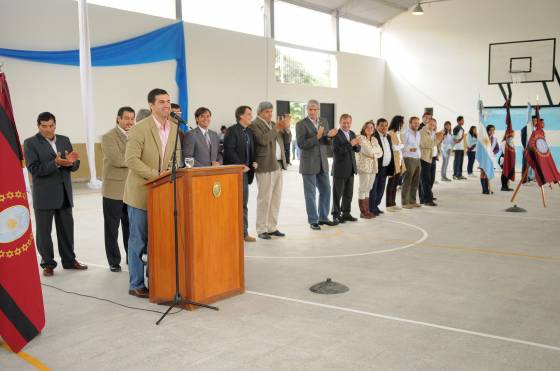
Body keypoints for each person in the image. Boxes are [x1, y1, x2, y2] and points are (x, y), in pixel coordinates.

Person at [123, 88, 181, 298]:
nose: (166, 105)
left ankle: (156, 279)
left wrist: (173, 172)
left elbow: (175, 156)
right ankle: (136, 284)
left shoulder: (174, 128)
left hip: (163, 194)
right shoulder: (139, 129)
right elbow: (130, 160)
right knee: (138, 240)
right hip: (140, 193)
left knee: (157, 241)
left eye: (168, 101)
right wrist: (156, 175)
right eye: (161, 102)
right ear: (151, 106)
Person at [23, 112, 87, 276]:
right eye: (44, 126)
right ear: (38, 126)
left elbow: (74, 165)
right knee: (44, 232)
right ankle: (48, 264)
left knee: (67, 230)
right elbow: (34, 169)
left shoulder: (64, 140)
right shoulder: (30, 143)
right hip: (44, 195)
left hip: (64, 193)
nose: (48, 129)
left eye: (51, 126)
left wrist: (72, 162)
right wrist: (55, 163)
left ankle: (69, 260)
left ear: (55, 125)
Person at [296, 99, 338, 230]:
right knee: (310, 194)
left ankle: (323, 218)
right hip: (308, 163)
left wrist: (330, 137)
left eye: (315, 109)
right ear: (306, 110)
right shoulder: (301, 124)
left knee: (326, 190)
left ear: (318, 110)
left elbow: (325, 142)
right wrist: (317, 137)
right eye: (310, 109)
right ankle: (313, 220)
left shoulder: (323, 121)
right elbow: (301, 144)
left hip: (322, 163)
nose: (313, 112)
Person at [249, 102, 289, 240]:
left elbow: (286, 140)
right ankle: (261, 229)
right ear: (259, 112)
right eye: (267, 111)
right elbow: (263, 140)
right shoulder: (254, 125)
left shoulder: (273, 124)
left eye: (271, 111)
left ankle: (272, 227)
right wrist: (277, 128)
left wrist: (286, 128)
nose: (270, 114)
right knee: (264, 199)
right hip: (265, 165)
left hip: (277, 164)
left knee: (275, 199)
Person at [101, 106, 134, 272]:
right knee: (112, 229)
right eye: (126, 118)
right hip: (113, 190)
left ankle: (131, 257)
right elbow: (117, 160)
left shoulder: (135, 135)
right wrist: (136, 160)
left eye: (132, 118)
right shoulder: (108, 137)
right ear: (118, 119)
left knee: (130, 227)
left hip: (131, 189)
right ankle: (114, 261)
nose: (129, 122)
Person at [223, 106, 258, 242]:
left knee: (243, 203)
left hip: (245, 173)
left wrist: (253, 162)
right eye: (249, 114)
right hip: (235, 173)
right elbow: (229, 151)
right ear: (241, 116)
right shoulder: (232, 131)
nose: (251, 116)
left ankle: (243, 233)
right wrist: (241, 165)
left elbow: (251, 150)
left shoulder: (249, 132)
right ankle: (231, 232)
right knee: (233, 204)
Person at [331, 114, 361, 223]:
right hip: (340, 169)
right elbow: (336, 151)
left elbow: (357, 149)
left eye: (348, 122)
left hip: (351, 168)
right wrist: (351, 144)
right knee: (337, 194)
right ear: (340, 123)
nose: (346, 125)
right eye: (344, 122)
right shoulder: (336, 134)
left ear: (351, 123)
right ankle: (335, 215)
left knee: (348, 193)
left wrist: (357, 145)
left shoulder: (352, 133)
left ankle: (346, 213)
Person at [356, 120, 383, 219]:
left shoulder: (375, 139)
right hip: (364, 166)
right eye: (368, 127)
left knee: (368, 188)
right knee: (363, 188)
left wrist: (373, 153)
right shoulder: (360, 138)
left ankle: (367, 211)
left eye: (372, 127)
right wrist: (374, 152)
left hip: (373, 167)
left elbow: (381, 152)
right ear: (364, 128)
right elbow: (369, 150)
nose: (370, 129)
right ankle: (363, 212)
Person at [369, 118, 395, 216]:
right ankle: (371, 208)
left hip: (385, 167)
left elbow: (390, 151)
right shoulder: (373, 136)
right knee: (374, 189)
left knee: (381, 189)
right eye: (382, 125)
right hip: (376, 167)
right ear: (377, 126)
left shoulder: (388, 136)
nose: (384, 127)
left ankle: (376, 206)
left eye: (386, 125)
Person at [420, 118, 443, 206]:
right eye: (431, 124)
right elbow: (427, 144)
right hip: (425, 159)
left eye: (434, 125)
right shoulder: (422, 132)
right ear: (426, 123)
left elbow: (436, 145)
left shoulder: (433, 133)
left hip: (432, 158)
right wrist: (438, 139)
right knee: (426, 180)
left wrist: (440, 139)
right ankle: (427, 200)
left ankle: (425, 197)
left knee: (431, 179)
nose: (432, 126)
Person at [401, 116, 422, 209]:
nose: (416, 124)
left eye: (418, 123)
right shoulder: (405, 133)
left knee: (415, 181)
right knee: (407, 181)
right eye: (414, 123)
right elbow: (402, 146)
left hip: (417, 158)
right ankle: (405, 202)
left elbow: (417, 146)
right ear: (410, 123)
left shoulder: (418, 133)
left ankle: (412, 201)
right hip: (408, 158)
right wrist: (410, 149)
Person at [386, 115, 406, 211]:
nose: (402, 125)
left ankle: (393, 203)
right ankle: (388, 204)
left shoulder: (399, 133)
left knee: (395, 184)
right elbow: (393, 147)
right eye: (401, 123)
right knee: (391, 183)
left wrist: (400, 146)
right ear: (398, 123)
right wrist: (400, 145)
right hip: (393, 162)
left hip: (399, 161)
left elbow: (401, 146)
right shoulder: (390, 133)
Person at [521, 115, 537, 183]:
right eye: (534, 120)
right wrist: (526, 147)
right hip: (526, 149)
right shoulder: (525, 128)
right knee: (525, 164)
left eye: (536, 120)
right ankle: (524, 179)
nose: (535, 122)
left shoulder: (534, 128)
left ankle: (530, 177)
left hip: (533, 149)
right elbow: (523, 139)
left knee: (532, 164)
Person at [452, 116, 466, 180]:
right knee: (457, 162)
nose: (463, 121)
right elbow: (454, 138)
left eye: (463, 120)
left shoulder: (461, 128)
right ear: (458, 121)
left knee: (460, 162)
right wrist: (458, 141)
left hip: (461, 148)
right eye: (462, 120)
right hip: (457, 148)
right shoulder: (456, 128)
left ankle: (459, 174)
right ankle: (455, 175)